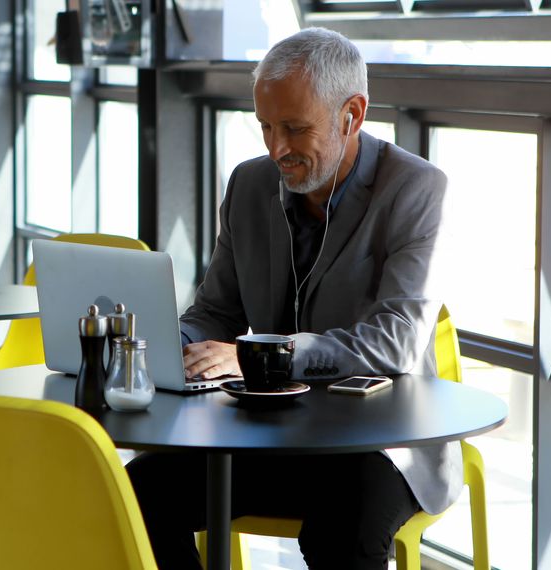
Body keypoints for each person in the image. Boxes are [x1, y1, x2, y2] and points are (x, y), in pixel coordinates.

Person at [126, 28, 459, 569]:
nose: (276, 148)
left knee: (340, 532)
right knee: (134, 496)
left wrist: (264, 352)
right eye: (264, 126)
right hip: (263, 431)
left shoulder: (416, 189)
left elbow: (396, 342)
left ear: (352, 114)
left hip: (375, 442)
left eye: (295, 128)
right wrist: (164, 347)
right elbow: (217, 310)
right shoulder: (248, 185)